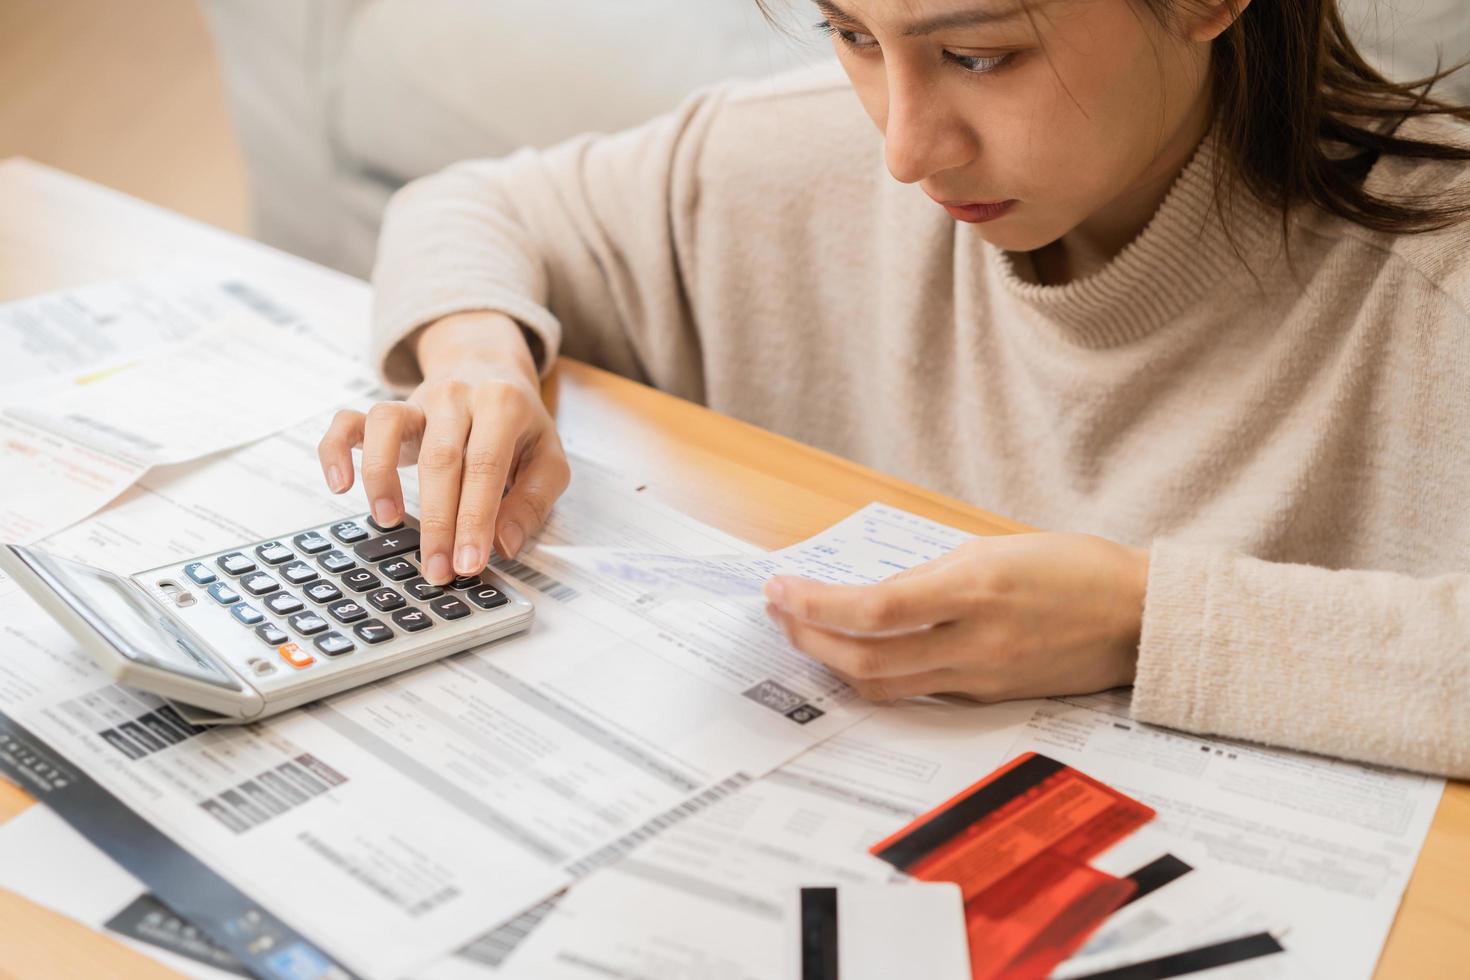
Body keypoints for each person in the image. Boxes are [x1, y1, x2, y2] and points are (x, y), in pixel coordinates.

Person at [316, 0, 1470, 777]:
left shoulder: (1433, 288)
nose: (906, 151)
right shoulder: (800, 159)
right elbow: (475, 208)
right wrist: (476, 357)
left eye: (980, 55)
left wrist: (1139, 619)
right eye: (853, 34)